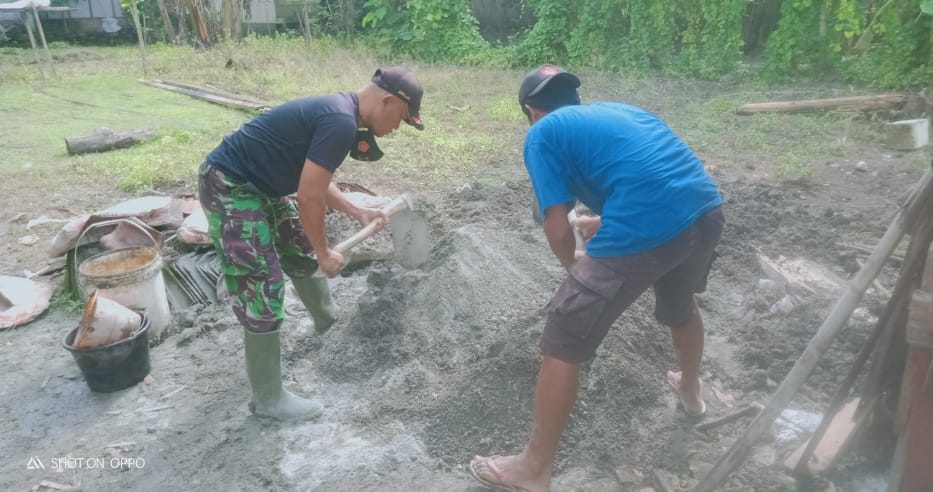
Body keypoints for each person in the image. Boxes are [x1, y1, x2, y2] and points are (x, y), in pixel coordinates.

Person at [469, 64, 724, 491]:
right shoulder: (620, 111)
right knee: (680, 307)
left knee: (564, 332)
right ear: (574, 99)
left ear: (532, 112)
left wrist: (577, 271)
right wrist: (605, 220)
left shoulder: (541, 133)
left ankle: (533, 469)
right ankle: (691, 393)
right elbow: (659, 177)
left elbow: (555, 225)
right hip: (705, 210)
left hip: (653, 220)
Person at [197, 66, 425, 422]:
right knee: (262, 284)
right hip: (230, 185)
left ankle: (327, 320)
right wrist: (324, 253)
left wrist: (357, 211)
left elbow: (314, 180)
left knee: (297, 250)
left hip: (261, 185)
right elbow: (308, 198)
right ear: (387, 101)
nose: (397, 128)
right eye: (401, 119)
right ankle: (268, 399)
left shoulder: (342, 114)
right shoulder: (341, 122)